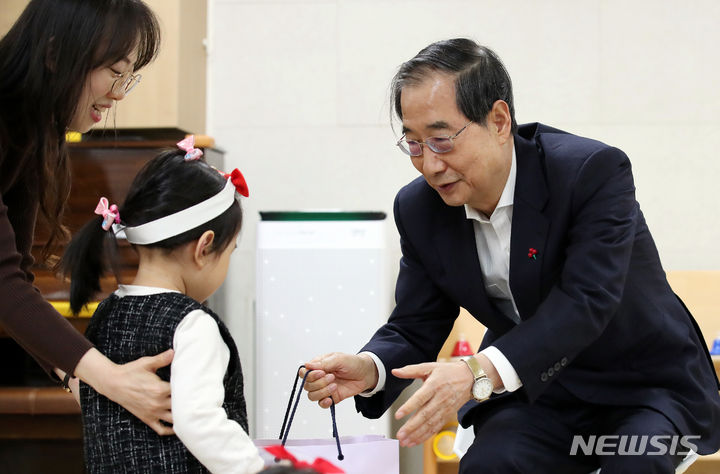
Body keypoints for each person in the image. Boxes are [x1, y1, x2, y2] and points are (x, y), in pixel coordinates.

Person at [302, 38, 720, 473]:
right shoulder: (420, 208)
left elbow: (586, 302)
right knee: (492, 463)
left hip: (642, 385)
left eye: (442, 140)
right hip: (543, 393)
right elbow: (416, 323)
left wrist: (475, 370)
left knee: (633, 466)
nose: (429, 165)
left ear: (499, 120)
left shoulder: (589, 172)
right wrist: (371, 369)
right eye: (413, 144)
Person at [0, 0, 175, 434]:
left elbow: (15, 272)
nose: (118, 94)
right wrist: (109, 378)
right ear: (56, 55)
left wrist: (78, 378)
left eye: (127, 78)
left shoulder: (30, 127)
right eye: (115, 73)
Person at [60, 140, 264, 473]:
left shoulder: (106, 312)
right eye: (230, 252)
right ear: (204, 247)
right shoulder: (193, 324)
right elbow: (199, 422)